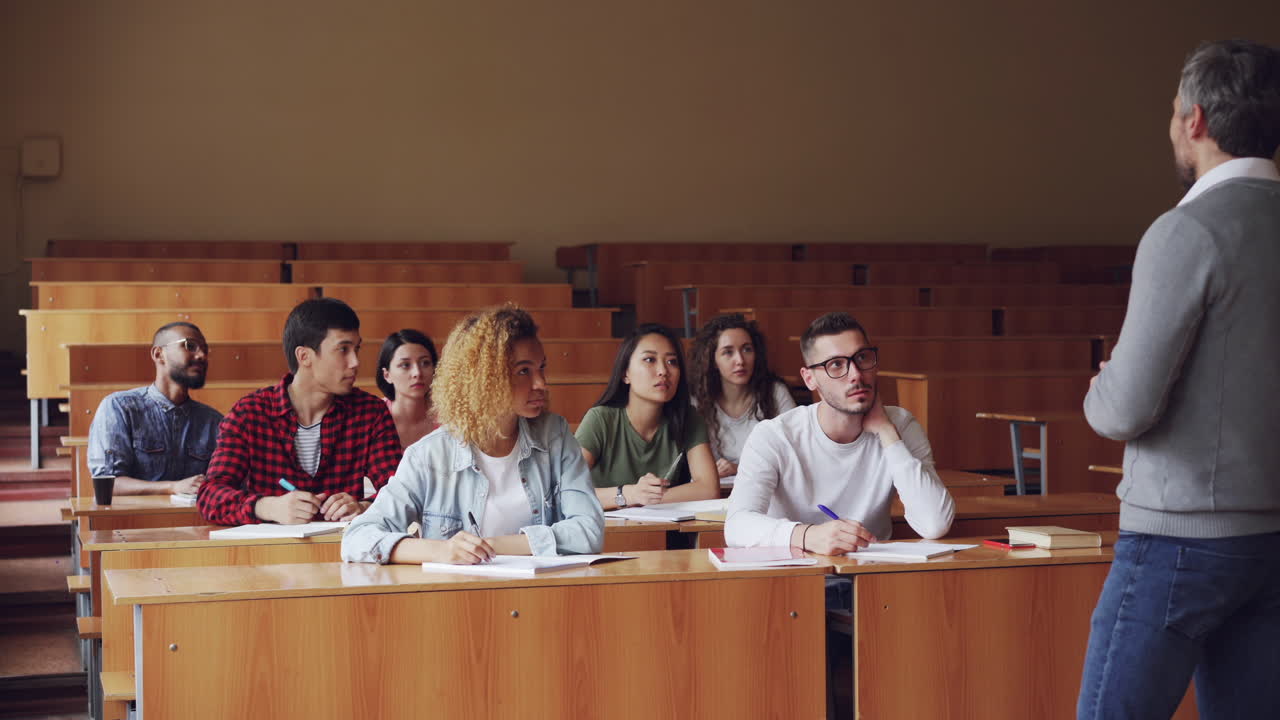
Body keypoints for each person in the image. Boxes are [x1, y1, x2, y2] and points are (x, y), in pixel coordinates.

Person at [1077, 40, 1280, 720]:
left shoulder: (1186, 231)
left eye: (1172, 112)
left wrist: (1104, 382)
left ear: (1196, 120)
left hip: (1180, 537)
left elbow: (1123, 409)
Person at [343, 305, 603, 564]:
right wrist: (441, 551)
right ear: (484, 377)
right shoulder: (429, 455)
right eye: (523, 371)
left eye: (541, 368)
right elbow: (357, 539)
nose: (541, 383)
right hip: (461, 590)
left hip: (541, 588)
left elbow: (589, 531)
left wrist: (490, 546)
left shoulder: (555, 435)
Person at [725, 311, 954, 551]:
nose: (856, 374)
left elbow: (935, 524)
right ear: (810, 379)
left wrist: (887, 433)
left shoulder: (901, 425)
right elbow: (737, 525)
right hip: (796, 568)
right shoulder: (774, 435)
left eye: (862, 358)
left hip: (872, 567)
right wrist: (809, 535)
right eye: (836, 364)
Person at [197, 298, 402, 525]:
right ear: (304, 356)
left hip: (344, 544)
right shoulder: (250, 413)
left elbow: (400, 491)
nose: (355, 362)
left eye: (357, 349)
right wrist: (266, 507)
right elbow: (209, 496)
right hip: (269, 545)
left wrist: (364, 507)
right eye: (343, 349)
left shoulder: (371, 413)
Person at [575, 323, 719, 509]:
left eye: (672, 362)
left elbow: (708, 489)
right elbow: (568, 492)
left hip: (665, 525)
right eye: (650, 360)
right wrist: (629, 494)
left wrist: (645, 498)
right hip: (607, 526)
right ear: (625, 373)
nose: (663, 371)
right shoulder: (600, 419)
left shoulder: (688, 417)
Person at [86, 322, 221, 496]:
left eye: (205, 350)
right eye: (190, 346)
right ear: (159, 354)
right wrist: (173, 487)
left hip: (194, 514)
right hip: (135, 514)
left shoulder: (214, 421)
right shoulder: (120, 407)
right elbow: (108, 484)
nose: (202, 355)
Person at [688, 313, 796, 481]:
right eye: (728, 352)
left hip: (767, 487)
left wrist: (739, 469)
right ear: (712, 360)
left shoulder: (775, 392)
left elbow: (796, 454)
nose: (740, 360)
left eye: (747, 349)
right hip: (714, 490)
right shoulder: (697, 400)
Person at [376, 329, 440, 448]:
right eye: (405, 365)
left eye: (425, 363)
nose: (417, 373)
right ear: (387, 375)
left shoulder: (448, 418)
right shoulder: (374, 418)